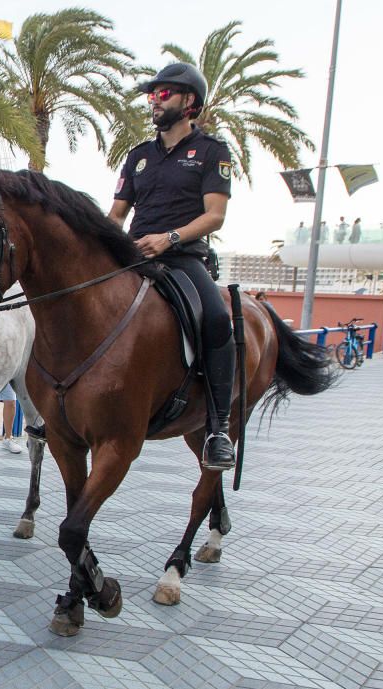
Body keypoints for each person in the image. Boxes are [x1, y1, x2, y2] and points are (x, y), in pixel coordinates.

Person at [108, 62, 237, 471]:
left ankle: (217, 429)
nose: (154, 100)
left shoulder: (212, 152)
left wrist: (170, 238)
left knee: (217, 320)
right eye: (152, 94)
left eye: (164, 94)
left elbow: (214, 215)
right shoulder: (138, 157)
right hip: (134, 254)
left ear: (189, 101)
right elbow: (116, 215)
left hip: (183, 256)